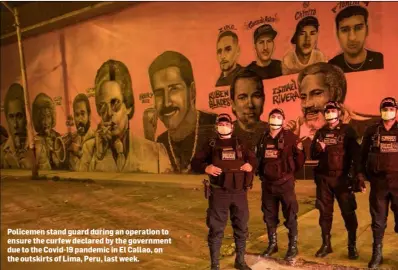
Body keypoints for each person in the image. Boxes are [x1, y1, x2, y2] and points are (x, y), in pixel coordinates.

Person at [191, 113, 257, 270]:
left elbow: (253, 159)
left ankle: (240, 261)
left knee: (241, 227)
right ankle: (215, 264)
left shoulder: (241, 143)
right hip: (219, 193)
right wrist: (206, 167)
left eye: (226, 123)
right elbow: (195, 162)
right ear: (216, 126)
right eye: (221, 123)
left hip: (239, 192)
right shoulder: (211, 144)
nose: (224, 126)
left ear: (232, 126)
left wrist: (251, 166)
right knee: (216, 229)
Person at [84, 59, 172, 173]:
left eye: (115, 103)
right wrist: (97, 157)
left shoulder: (157, 153)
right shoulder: (89, 152)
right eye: (102, 106)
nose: (109, 113)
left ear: (129, 106)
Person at [147, 51, 217, 173]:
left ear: (192, 92)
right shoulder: (161, 143)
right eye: (159, 93)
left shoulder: (217, 127)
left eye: (174, 89)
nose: (166, 102)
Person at [310, 101, 363, 260]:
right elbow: (313, 154)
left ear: (338, 113)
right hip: (324, 180)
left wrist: (359, 175)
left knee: (348, 212)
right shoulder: (320, 132)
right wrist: (318, 149)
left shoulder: (348, 131)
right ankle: (326, 244)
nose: (330, 113)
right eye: (327, 111)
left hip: (342, 179)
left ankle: (352, 245)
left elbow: (357, 155)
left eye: (332, 110)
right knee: (324, 213)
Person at [256, 108, 305, 261]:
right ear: (269, 119)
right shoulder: (263, 138)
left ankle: (292, 246)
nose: (275, 119)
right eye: (273, 116)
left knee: (290, 215)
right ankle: (273, 244)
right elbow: (258, 159)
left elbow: (300, 160)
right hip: (268, 186)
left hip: (285, 185)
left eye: (279, 116)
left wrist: (289, 173)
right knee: (269, 216)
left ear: (283, 121)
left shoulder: (291, 138)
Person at [359, 97, 398, 269]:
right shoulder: (372, 130)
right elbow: (362, 154)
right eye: (385, 108)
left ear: (396, 111)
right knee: (378, 221)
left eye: (391, 108)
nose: (387, 111)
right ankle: (377, 254)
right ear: (380, 110)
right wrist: (360, 175)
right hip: (378, 184)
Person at [328, 5, 383, 73]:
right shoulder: (331, 67)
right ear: (337, 34)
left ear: (367, 30)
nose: (352, 38)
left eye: (358, 28)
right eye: (345, 30)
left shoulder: (379, 59)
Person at [230, 69, 269, 150]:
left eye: (256, 96)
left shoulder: (274, 132)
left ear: (263, 99)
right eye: (242, 98)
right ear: (233, 103)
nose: (250, 105)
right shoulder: (223, 136)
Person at [1, 83, 32, 169]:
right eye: (11, 117)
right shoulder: (2, 152)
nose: (15, 125)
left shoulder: (38, 148)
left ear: (26, 117)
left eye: (19, 116)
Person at [68, 94, 95, 171]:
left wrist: (79, 154)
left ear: (89, 115)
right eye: (77, 115)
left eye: (82, 114)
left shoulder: (96, 139)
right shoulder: (73, 140)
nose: (80, 119)